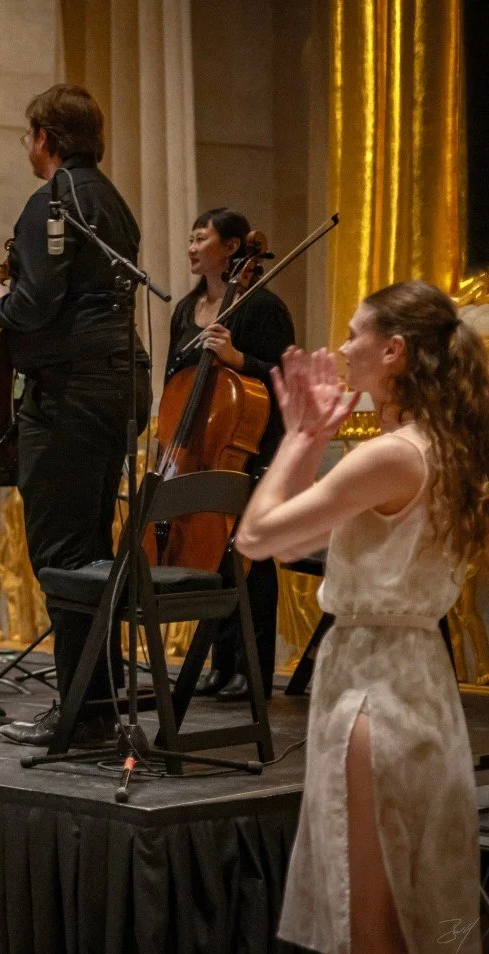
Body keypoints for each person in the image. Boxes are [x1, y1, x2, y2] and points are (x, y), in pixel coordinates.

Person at [237, 281, 487, 954]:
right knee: (415, 917)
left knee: (369, 928)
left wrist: (300, 438)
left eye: (355, 334)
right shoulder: (440, 446)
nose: (343, 348)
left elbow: (254, 539)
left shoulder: (390, 455)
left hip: (375, 692)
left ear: (395, 351)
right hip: (419, 684)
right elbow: (290, 544)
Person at [0, 83, 152, 747]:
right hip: (117, 386)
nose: (28, 148)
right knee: (89, 547)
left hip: (70, 393)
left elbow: (35, 306)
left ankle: (80, 713)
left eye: (30, 137)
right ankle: (98, 702)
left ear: (46, 139)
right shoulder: (115, 203)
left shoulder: (50, 199)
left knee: (60, 553)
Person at [163, 208, 296, 701]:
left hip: (252, 446)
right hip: (198, 447)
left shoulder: (263, 308)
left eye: (203, 238)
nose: (193, 246)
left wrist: (240, 360)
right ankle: (219, 664)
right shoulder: (186, 309)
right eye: (191, 238)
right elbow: (173, 381)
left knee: (249, 558)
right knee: (210, 556)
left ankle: (253, 669)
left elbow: (286, 378)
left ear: (234, 247)